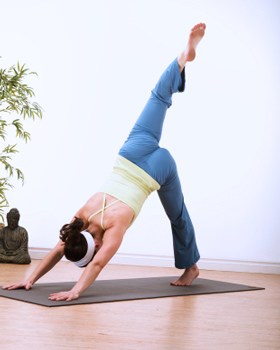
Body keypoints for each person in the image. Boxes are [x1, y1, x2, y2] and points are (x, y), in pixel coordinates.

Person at [2, 23, 206, 302]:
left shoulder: (114, 226)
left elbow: (95, 264)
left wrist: (74, 291)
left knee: (178, 216)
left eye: (95, 248)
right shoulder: (80, 219)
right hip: (131, 154)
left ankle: (191, 267)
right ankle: (181, 60)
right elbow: (58, 250)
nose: (99, 248)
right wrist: (30, 279)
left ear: (93, 243)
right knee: (158, 97)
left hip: (159, 168)